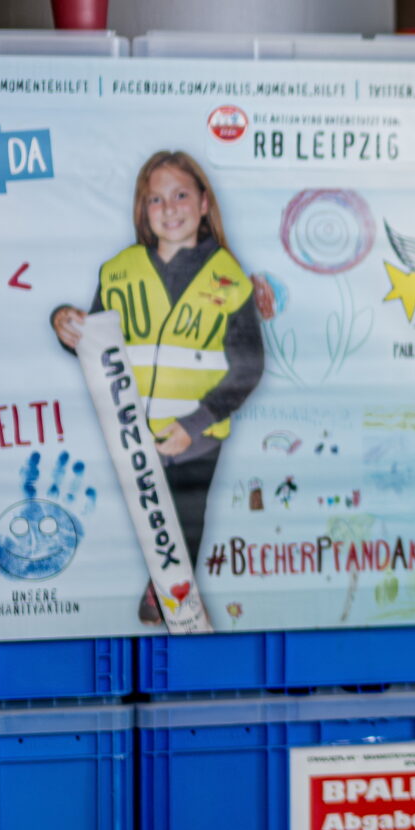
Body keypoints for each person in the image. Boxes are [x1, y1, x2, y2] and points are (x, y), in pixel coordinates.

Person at [51, 150, 264, 622]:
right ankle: (165, 603)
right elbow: (93, 343)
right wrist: (64, 323)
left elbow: (249, 368)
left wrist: (196, 422)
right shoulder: (119, 270)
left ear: (205, 203)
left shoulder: (230, 279)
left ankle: (170, 607)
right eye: (155, 200)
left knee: (185, 530)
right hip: (133, 438)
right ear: (142, 211)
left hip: (197, 440)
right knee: (150, 530)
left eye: (181, 195)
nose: (169, 209)